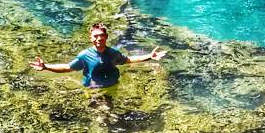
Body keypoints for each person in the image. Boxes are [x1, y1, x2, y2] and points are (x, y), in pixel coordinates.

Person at [29, 23, 166, 89]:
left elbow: (128, 60)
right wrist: (46, 67)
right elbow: (67, 67)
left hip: (114, 86)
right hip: (93, 89)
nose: (99, 38)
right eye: (96, 36)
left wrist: (149, 56)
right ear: (91, 38)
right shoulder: (85, 55)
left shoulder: (113, 53)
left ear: (106, 37)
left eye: (102, 35)